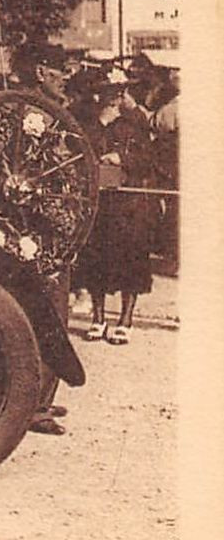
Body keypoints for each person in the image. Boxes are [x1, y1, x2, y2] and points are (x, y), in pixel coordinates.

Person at [75, 76, 157, 345]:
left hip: (130, 202)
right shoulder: (93, 120)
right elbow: (80, 148)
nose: (111, 99)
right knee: (96, 257)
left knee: (130, 257)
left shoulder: (138, 121)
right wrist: (101, 123)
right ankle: (98, 318)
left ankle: (125, 319)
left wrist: (121, 158)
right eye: (105, 93)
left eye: (116, 93)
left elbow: (150, 158)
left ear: (124, 94)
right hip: (101, 201)